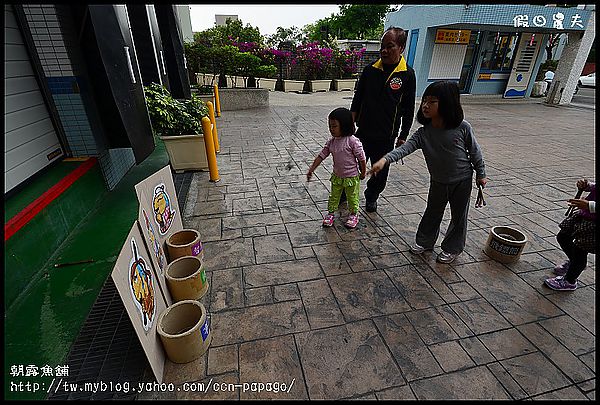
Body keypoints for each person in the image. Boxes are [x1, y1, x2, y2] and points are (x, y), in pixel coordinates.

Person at [368, 81, 487, 263]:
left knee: (459, 216)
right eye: (425, 100)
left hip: (462, 180)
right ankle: (425, 242)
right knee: (432, 211)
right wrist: (385, 160)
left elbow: (475, 151)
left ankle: (452, 248)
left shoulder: (462, 127)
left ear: (447, 103)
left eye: (432, 101)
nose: (425, 105)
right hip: (438, 181)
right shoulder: (423, 133)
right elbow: (405, 148)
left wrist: (481, 173)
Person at [349, 26, 416, 213]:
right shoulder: (370, 70)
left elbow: (408, 107)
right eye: (382, 47)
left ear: (401, 48)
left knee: (379, 173)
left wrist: (403, 135)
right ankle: (346, 192)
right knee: (352, 166)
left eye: (390, 46)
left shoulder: (407, 74)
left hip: (387, 135)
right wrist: (349, 125)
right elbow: (358, 98)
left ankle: (371, 196)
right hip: (363, 132)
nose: (384, 51)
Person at [306, 107, 367, 229]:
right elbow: (321, 156)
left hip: (351, 177)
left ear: (344, 126)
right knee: (334, 196)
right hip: (337, 176)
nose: (331, 129)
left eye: (334, 126)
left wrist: (363, 172)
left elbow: (362, 158)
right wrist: (311, 169)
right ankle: (331, 213)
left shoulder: (352, 141)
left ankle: (354, 214)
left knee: (352, 197)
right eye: (330, 126)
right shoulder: (331, 142)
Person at [545, 178, 596, 291]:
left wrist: (590, 205)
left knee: (580, 250)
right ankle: (575, 263)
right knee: (563, 236)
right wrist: (588, 186)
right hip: (584, 215)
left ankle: (569, 281)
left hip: (593, 224)